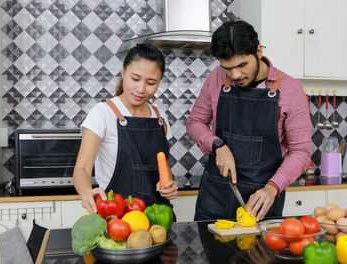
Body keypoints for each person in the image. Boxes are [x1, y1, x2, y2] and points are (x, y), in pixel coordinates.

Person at [187, 20, 312, 221]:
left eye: (242, 65)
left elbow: (301, 151)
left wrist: (272, 188)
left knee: (260, 253)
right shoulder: (216, 78)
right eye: (227, 68)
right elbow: (195, 122)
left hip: (262, 200)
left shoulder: (291, 89)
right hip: (215, 196)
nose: (235, 75)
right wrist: (218, 145)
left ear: (259, 51)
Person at [74, 44, 178, 213]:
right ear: (123, 72)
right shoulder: (103, 113)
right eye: (135, 79)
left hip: (158, 216)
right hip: (116, 217)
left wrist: (169, 185)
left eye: (151, 83)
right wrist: (86, 192)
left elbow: (164, 168)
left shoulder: (159, 117)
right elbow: (82, 169)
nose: (141, 89)